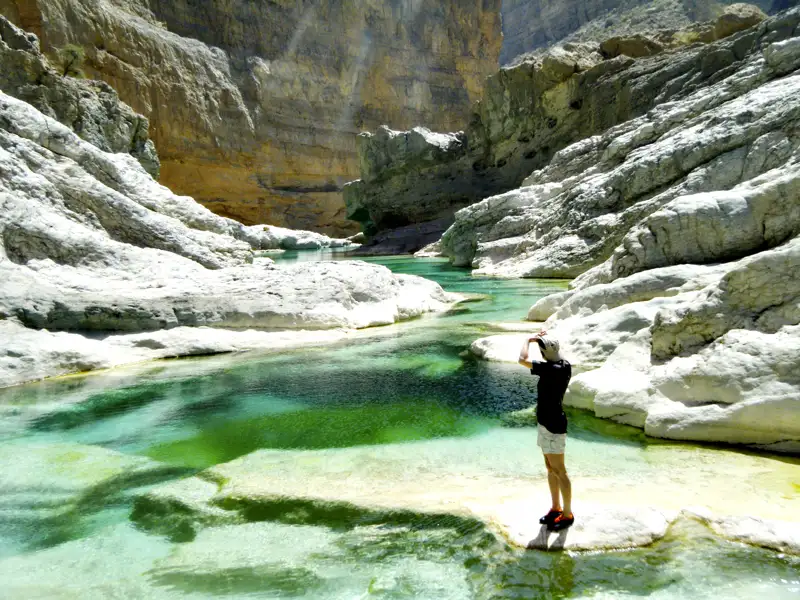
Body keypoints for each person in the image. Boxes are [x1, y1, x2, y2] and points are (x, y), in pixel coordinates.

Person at [518, 330, 574, 531]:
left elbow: (521, 359)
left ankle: (567, 515)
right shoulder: (564, 365)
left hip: (553, 425)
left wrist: (528, 339)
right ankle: (555, 508)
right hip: (546, 422)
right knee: (551, 468)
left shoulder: (551, 368)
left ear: (544, 351)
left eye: (541, 348)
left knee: (560, 470)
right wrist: (542, 339)